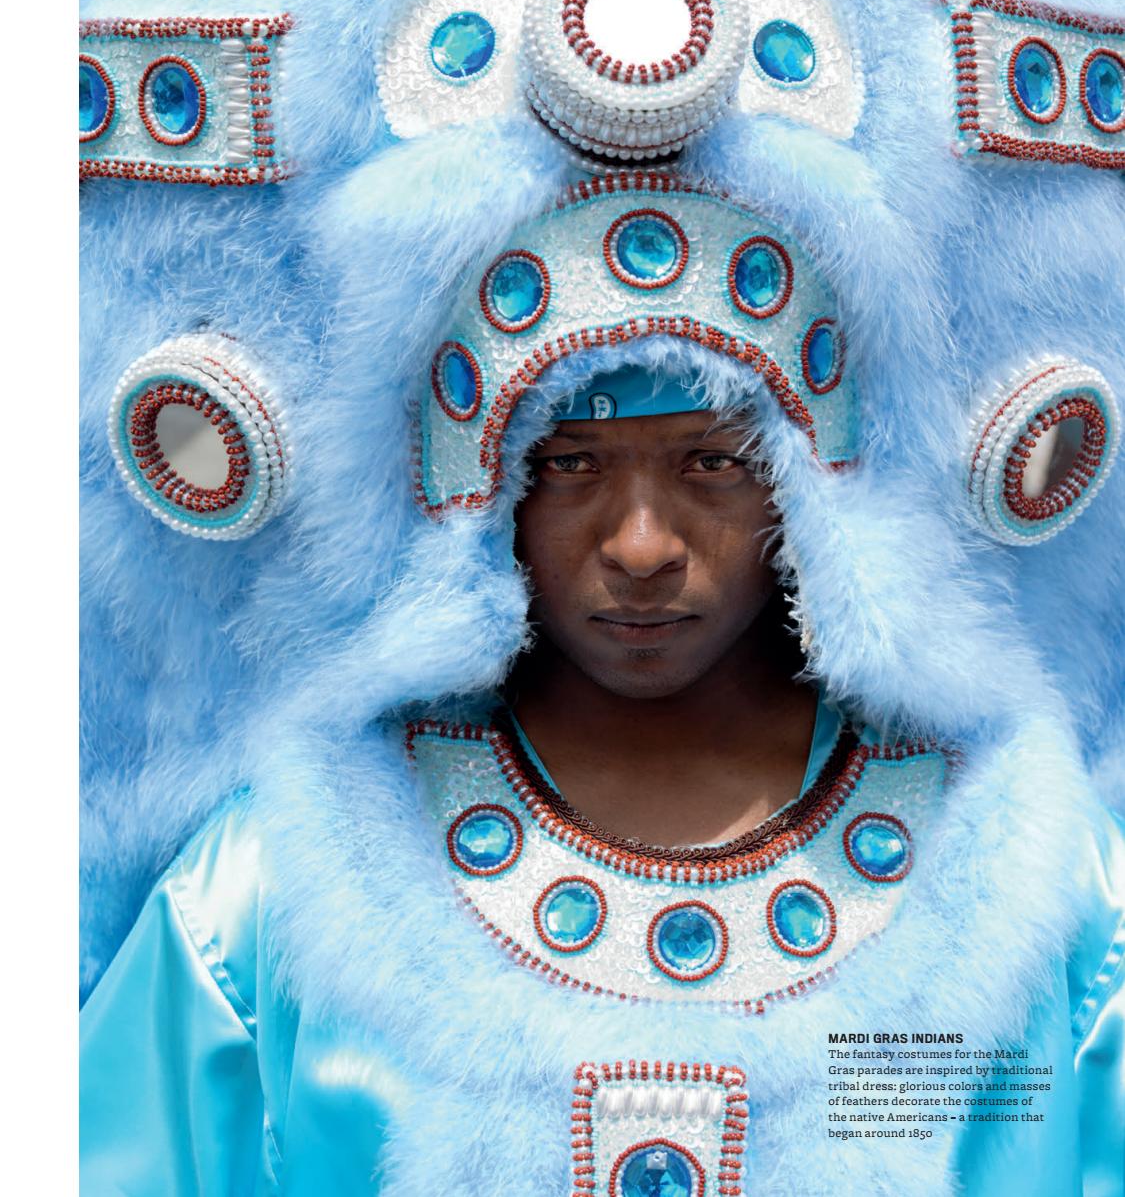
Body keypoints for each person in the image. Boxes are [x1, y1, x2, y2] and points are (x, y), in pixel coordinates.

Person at [80, 182, 1125, 1197]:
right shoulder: (290, 878)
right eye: (568, 465)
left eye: (712, 462)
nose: (640, 545)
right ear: (482, 489)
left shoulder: (1011, 874)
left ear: (805, 484)